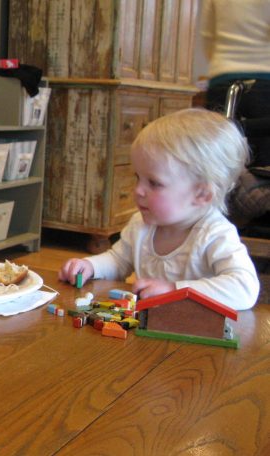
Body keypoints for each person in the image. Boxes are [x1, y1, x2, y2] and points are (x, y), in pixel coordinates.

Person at [58, 109, 259, 311]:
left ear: (202, 195)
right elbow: (119, 260)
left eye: (154, 183)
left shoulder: (215, 234)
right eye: (138, 177)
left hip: (197, 335)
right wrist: (92, 266)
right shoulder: (141, 224)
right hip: (147, 329)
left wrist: (175, 290)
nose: (138, 190)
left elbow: (244, 288)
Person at [201, 0, 270, 167]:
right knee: (263, 164)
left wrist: (223, 65)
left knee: (217, 160)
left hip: (222, 76)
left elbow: (207, 36)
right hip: (264, 78)